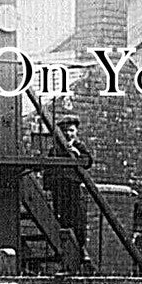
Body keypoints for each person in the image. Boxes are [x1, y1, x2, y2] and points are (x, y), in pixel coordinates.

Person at [43, 115, 94, 269]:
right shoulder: (55, 150)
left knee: (77, 219)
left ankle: (81, 248)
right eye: (65, 131)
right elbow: (49, 169)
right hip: (59, 189)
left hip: (73, 187)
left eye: (71, 130)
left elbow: (88, 161)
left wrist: (77, 153)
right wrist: (48, 186)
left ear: (76, 131)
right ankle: (63, 253)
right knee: (61, 219)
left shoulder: (79, 146)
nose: (68, 134)